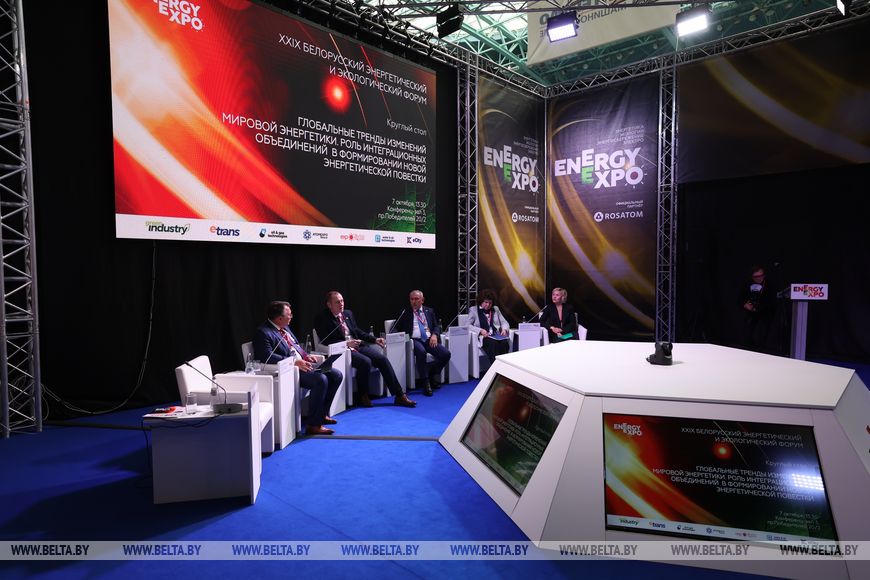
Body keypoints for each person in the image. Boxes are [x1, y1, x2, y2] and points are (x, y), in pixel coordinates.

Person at [252, 301, 342, 435]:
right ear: (279, 318)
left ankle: (322, 414)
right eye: (289, 314)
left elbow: (295, 346)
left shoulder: (285, 327)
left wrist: (306, 356)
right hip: (289, 370)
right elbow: (266, 356)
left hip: (304, 365)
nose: (291, 316)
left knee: (335, 375)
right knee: (321, 379)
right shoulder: (263, 332)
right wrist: (294, 362)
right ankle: (313, 425)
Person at [314, 291, 416, 408]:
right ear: (329, 304)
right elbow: (326, 340)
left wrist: (374, 339)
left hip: (358, 345)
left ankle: (399, 395)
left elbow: (357, 331)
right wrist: (346, 344)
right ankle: (363, 395)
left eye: (342, 301)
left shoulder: (347, 313)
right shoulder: (322, 318)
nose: (341, 304)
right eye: (337, 302)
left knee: (382, 359)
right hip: (342, 351)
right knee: (365, 362)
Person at [394, 290, 451, 396]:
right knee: (421, 352)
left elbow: (436, 326)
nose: (414, 301)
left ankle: (432, 374)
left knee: (446, 354)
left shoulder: (429, 311)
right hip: (414, 340)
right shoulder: (405, 312)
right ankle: (426, 382)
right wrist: (401, 337)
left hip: (429, 339)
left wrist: (435, 335)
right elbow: (396, 327)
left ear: (422, 300)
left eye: (416, 299)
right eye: (412, 299)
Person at [739, 265, 775, 353]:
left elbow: (772, 302)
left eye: (761, 276)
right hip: (750, 314)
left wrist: (760, 308)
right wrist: (745, 305)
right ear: (752, 276)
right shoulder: (747, 284)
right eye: (756, 276)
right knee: (748, 336)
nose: (759, 278)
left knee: (762, 337)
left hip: (765, 314)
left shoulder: (770, 285)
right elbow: (740, 299)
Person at [469, 289, 510, 364]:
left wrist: (504, 329)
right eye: (486, 302)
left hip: (495, 335)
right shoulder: (473, 310)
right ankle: (495, 366)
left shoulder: (495, 309)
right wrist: (480, 330)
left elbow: (504, 322)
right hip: (484, 337)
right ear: (481, 301)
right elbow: (467, 326)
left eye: (490, 303)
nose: (488, 305)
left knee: (504, 343)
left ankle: (504, 365)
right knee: (493, 344)